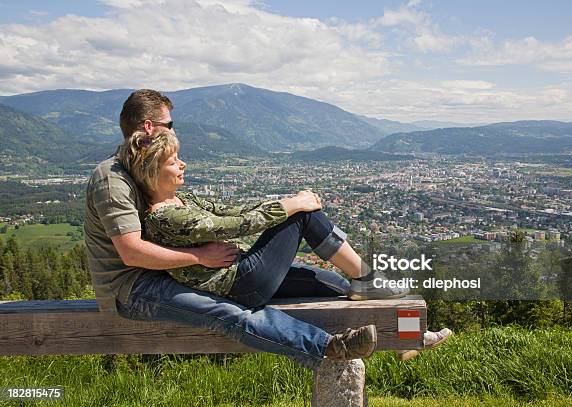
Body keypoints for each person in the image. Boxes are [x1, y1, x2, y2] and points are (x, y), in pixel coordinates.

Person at [84, 89, 406, 371]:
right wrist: (198, 257)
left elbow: (220, 215)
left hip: (167, 270)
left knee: (321, 281)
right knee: (231, 313)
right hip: (132, 288)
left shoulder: (141, 170)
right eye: (170, 125)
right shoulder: (113, 178)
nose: (174, 132)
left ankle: (402, 332)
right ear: (149, 127)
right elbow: (131, 251)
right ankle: (328, 348)